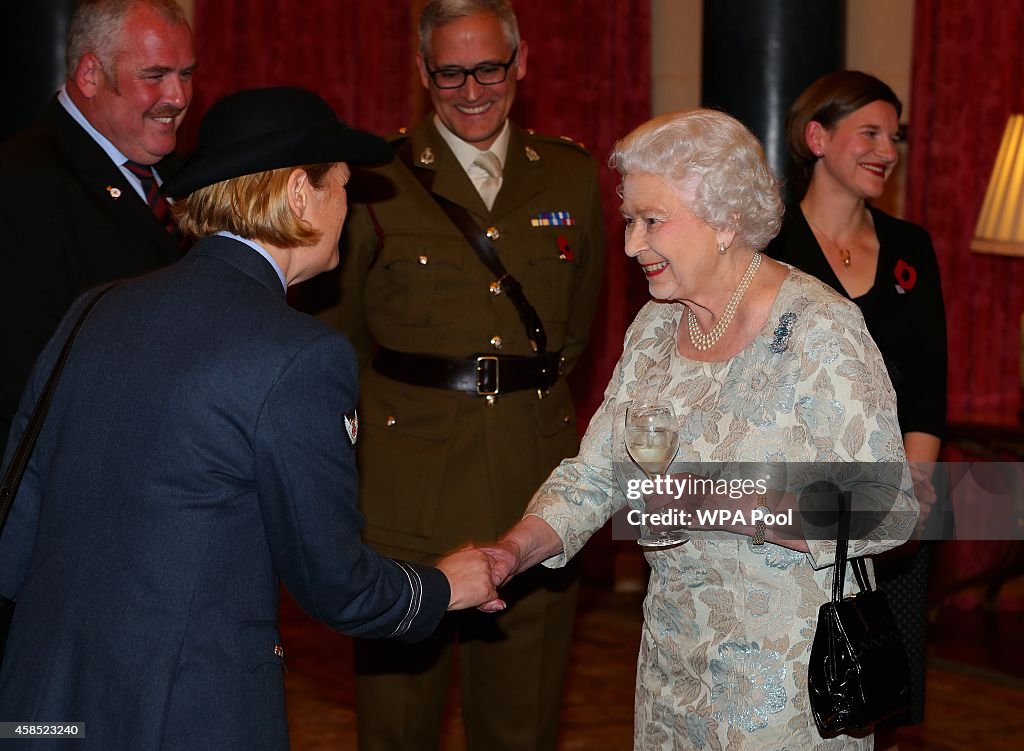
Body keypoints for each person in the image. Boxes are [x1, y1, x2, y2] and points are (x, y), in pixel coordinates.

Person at [0, 86, 499, 751]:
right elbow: (338, 586)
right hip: (180, 716)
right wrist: (443, 588)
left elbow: (14, 534)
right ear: (300, 193)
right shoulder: (299, 355)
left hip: (42, 703)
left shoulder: (95, 308)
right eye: (343, 187)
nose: (347, 210)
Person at [478, 109, 920, 749]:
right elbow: (595, 473)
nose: (631, 245)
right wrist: (512, 551)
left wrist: (722, 501)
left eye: (651, 221)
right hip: (670, 668)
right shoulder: (656, 329)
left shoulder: (819, 332)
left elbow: (887, 512)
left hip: (787, 681)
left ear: (725, 221)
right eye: (629, 220)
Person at [312, 1, 605, 749]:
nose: (471, 90)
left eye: (488, 69)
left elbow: (574, 332)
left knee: (522, 717)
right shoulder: (375, 177)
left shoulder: (569, 175)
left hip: (531, 485)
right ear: (423, 72)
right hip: (407, 486)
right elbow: (335, 344)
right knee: (398, 720)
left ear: (521, 64)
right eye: (450, 73)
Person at [765, 70, 949, 747]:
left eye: (893, 136)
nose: (887, 149)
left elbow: (929, 381)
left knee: (877, 690)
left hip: (890, 502)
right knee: (791, 684)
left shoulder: (911, 248)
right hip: (790, 499)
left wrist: (916, 484)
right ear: (817, 136)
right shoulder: (768, 243)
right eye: (869, 132)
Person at [0, 0, 195, 458]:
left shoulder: (190, 177)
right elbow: (26, 379)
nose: (179, 97)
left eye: (186, 74)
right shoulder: (20, 183)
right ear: (90, 75)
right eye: (156, 75)